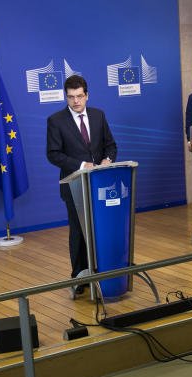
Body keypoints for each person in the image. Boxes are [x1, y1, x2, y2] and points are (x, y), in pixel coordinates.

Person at [46, 75, 118, 295]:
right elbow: (53, 154)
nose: (75, 101)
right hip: (74, 185)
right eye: (70, 97)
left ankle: (102, 270)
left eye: (79, 96)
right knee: (78, 231)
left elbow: (111, 146)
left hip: (100, 183)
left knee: (101, 229)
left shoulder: (98, 115)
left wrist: (108, 160)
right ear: (65, 97)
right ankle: (79, 278)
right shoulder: (55, 120)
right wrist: (81, 164)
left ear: (87, 95)